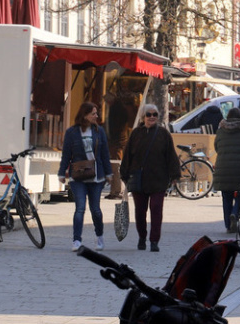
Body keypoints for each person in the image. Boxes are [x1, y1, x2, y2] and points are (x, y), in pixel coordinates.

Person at [120, 104, 181, 252]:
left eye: (155, 114)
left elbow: (171, 156)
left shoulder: (163, 134)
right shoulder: (136, 134)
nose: (152, 117)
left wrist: (174, 175)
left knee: (156, 209)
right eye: (149, 114)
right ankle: (142, 236)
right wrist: (124, 174)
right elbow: (127, 155)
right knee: (140, 211)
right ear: (143, 116)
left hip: (158, 179)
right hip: (139, 179)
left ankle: (154, 240)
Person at [58, 102, 113, 252]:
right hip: (78, 176)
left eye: (96, 113)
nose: (97, 116)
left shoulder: (99, 131)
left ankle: (99, 236)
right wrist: (62, 173)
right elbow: (66, 155)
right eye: (93, 113)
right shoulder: (72, 132)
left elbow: (105, 154)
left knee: (95, 209)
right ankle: (76, 240)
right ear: (85, 115)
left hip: (96, 176)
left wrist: (109, 173)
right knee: (80, 208)